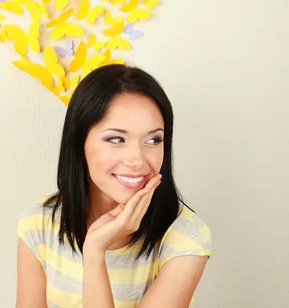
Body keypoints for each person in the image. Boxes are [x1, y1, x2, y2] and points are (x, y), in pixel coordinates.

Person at [15, 64, 212, 308]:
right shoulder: (40, 224)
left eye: (153, 140)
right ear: (80, 143)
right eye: (117, 139)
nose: (137, 160)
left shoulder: (185, 238)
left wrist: (95, 252)